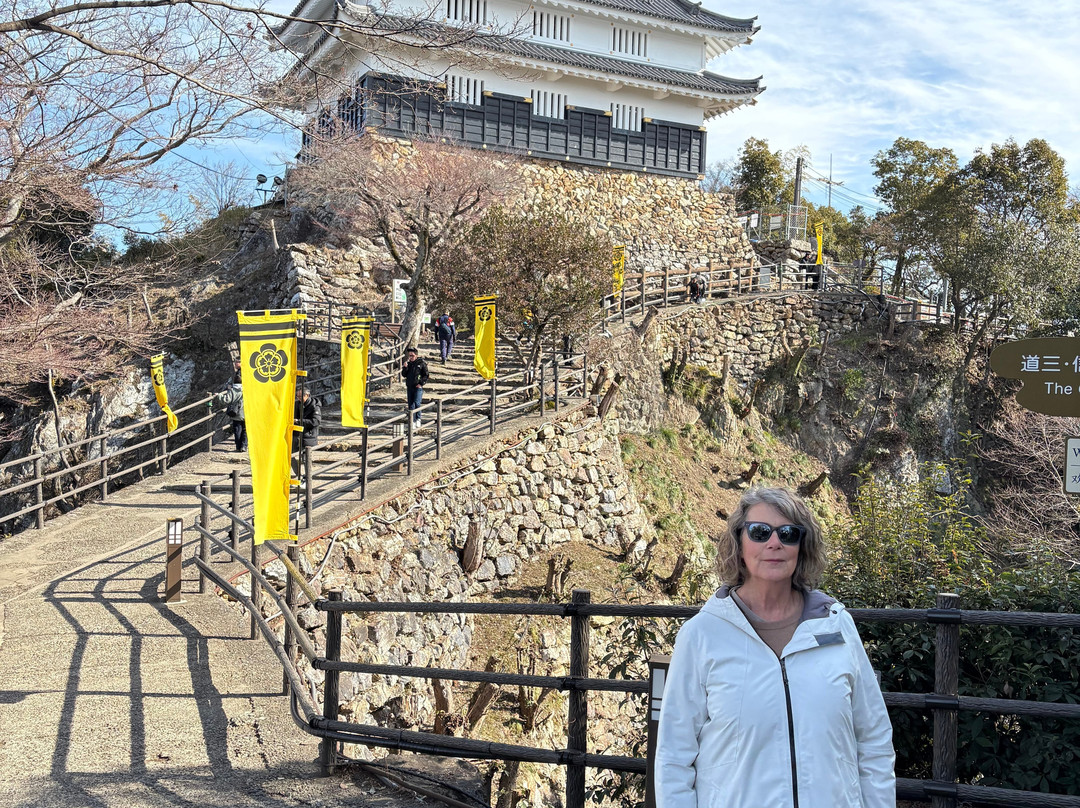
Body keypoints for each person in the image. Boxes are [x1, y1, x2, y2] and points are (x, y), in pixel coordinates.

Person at [655, 486, 895, 808]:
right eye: (759, 532)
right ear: (739, 544)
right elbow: (674, 755)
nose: (774, 543)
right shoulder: (702, 635)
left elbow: (874, 739)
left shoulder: (836, 626)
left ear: (802, 545)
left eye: (788, 533)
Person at [215, 361, 246, 452]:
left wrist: (219, 395)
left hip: (236, 414)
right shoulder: (247, 390)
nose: (236, 364)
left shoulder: (233, 391)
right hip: (246, 412)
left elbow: (226, 400)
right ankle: (244, 446)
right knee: (245, 430)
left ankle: (238, 446)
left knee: (237, 430)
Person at [293, 387, 321, 484]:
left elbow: (316, 421)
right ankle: (298, 474)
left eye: (301, 396)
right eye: (297, 396)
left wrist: (299, 421)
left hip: (308, 435)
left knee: (305, 458)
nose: (299, 398)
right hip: (296, 435)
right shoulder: (297, 404)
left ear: (307, 396)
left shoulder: (314, 406)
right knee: (290, 455)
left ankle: (307, 478)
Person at [401, 346, 429, 427]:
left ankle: (418, 418)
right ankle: (412, 420)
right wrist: (405, 368)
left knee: (417, 402)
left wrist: (421, 383)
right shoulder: (408, 364)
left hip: (418, 387)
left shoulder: (421, 363)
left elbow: (426, 375)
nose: (410, 357)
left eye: (412, 356)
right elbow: (404, 374)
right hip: (410, 386)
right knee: (411, 404)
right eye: (409, 356)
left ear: (416, 356)